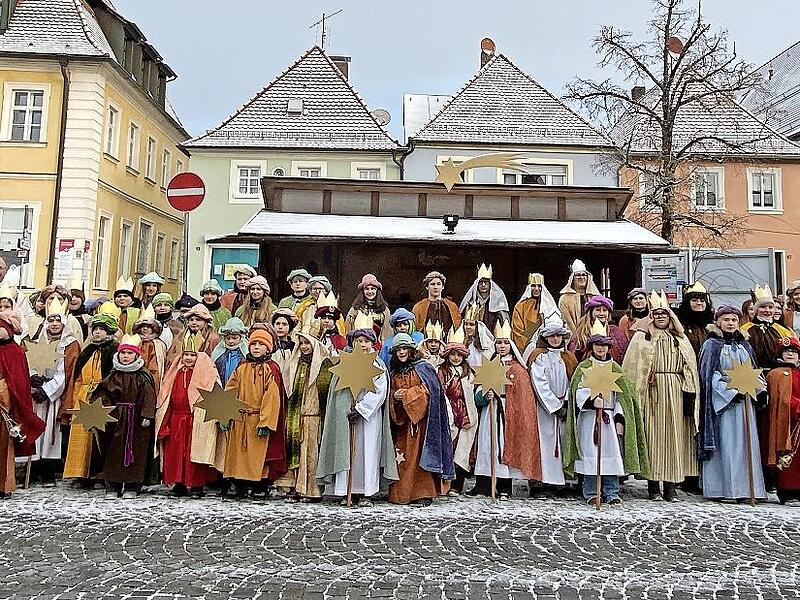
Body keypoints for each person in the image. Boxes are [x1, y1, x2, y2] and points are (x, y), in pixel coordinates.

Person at [622, 291, 700, 502]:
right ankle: (653, 486)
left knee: (674, 438)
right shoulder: (642, 337)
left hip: (675, 391)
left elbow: (690, 367)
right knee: (653, 438)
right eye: (656, 314)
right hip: (652, 393)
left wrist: (689, 390)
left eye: (664, 314)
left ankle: (671, 487)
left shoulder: (679, 338)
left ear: (670, 316)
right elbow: (632, 368)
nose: (660, 317)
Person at [563, 321, 650, 506]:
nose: (600, 348)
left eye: (603, 345)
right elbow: (577, 391)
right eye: (597, 344)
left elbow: (623, 398)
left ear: (609, 347)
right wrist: (591, 401)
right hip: (589, 419)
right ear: (592, 346)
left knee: (610, 455)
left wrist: (619, 417)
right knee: (591, 455)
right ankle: (591, 491)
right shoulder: (584, 367)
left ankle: (611, 491)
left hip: (608, 418)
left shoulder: (615, 369)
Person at [317, 328, 398, 507]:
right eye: (359, 341)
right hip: (347, 415)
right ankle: (346, 490)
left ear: (372, 344)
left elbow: (380, 391)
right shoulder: (345, 363)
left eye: (366, 341)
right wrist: (345, 408)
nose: (363, 345)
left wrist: (361, 409)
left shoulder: (377, 365)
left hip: (369, 418)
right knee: (346, 451)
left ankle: (365, 492)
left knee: (367, 452)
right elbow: (337, 391)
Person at [698, 305, 767, 502]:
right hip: (725, 407)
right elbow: (709, 376)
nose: (730, 323)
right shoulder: (711, 346)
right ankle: (725, 489)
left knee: (746, 446)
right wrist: (729, 393)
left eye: (734, 320)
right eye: (726, 320)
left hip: (746, 404)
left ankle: (748, 489)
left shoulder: (745, 346)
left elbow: (754, 371)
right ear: (718, 322)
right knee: (727, 445)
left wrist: (760, 390)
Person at [471, 321, 541, 500]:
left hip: (508, 414)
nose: (502, 346)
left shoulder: (517, 369)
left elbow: (523, 396)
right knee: (487, 446)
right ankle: (484, 485)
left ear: (511, 345)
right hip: (490, 412)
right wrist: (484, 395)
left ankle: (504, 486)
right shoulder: (489, 364)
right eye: (499, 343)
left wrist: (508, 401)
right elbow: (478, 391)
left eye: (505, 343)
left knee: (503, 446)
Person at [387, 333, 454, 506]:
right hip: (402, 424)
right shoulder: (393, 372)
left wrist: (407, 396)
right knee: (403, 458)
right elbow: (389, 394)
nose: (401, 352)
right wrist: (394, 397)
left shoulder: (423, 368)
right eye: (398, 350)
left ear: (411, 350)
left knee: (420, 458)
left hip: (423, 424)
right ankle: (401, 493)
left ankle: (423, 493)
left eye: (404, 348)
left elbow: (431, 391)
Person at [219, 328, 287, 498]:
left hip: (257, 418)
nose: (256, 347)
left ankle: (260, 485)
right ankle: (239, 484)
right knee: (238, 454)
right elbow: (231, 389)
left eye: (261, 344)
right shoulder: (242, 367)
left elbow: (272, 397)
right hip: (240, 417)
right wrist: (225, 413)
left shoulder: (271, 369)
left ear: (268, 348)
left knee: (257, 455)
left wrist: (266, 422)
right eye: (253, 344)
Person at [91, 334, 156, 499]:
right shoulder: (113, 375)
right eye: (123, 353)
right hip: (116, 418)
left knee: (136, 451)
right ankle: (113, 484)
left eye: (129, 353)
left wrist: (147, 415)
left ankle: (133, 485)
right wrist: (100, 410)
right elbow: (102, 394)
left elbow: (148, 396)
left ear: (136, 355)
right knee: (113, 451)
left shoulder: (143, 376)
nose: (126, 356)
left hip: (136, 421)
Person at [27, 295, 80, 486]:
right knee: (35, 429)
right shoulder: (37, 340)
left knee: (51, 432)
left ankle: (48, 470)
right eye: (51, 320)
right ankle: (33, 467)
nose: (55, 324)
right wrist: (33, 377)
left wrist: (47, 390)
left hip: (55, 395)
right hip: (36, 394)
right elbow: (29, 361)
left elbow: (67, 372)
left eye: (58, 320)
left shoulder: (71, 344)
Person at [155, 346, 222, 498]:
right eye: (186, 354)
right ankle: (178, 484)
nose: (188, 358)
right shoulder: (176, 373)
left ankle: (197, 485)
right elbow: (167, 395)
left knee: (195, 452)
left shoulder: (205, 373)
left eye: (192, 355)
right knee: (176, 454)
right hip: (176, 419)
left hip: (197, 419)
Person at [62, 313, 119, 483]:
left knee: (98, 436)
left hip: (102, 396)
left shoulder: (114, 350)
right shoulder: (88, 350)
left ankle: (99, 472)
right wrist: (75, 397)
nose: (97, 332)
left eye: (102, 329)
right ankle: (81, 472)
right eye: (95, 329)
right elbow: (78, 377)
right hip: (83, 395)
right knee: (81, 435)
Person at [276, 329, 332, 502]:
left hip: (313, 417)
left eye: (307, 343)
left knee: (310, 453)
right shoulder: (295, 364)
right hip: (295, 415)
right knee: (295, 452)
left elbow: (325, 394)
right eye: (301, 343)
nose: (304, 346)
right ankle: (295, 487)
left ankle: (312, 490)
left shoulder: (324, 366)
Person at [527, 319, 578, 492]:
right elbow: (539, 382)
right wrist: (555, 406)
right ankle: (542, 480)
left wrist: (568, 402)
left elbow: (574, 380)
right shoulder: (538, 357)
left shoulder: (569, 357)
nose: (555, 339)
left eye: (558, 335)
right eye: (552, 336)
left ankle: (562, 481)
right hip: (545, 409)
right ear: (546, 337)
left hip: (565, 405)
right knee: (545, 442)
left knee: (563, 440)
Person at [0, 308, 45, 498]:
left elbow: (18, 383)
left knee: (4, 447)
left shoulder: (15, 352)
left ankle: (4, 485)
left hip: (4, 409)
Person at [437, 328, 478, 495]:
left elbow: (473, 393)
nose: (456, 358)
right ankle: (443, 484)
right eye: (453, 354)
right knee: (448, 448)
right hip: (448, 411)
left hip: (465, 413)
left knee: (462, 451)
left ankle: (457, 484)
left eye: (459, 355)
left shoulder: (469, 373)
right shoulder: (442, 372)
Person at [765, 337, 800, 504]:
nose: (791, 354)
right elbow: (781, 400)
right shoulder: (776, 374)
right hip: (786, 422)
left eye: (794, 352)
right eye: (787, 352)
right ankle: (787, 491)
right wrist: (797, 406)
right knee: (787, 458)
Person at [570, 295, 628, 363]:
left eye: (604, 310)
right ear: (591, 312)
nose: (601, 313)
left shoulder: (615, 332)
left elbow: (623, 354)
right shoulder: (581, 332)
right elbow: (574, 356)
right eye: (597, 310)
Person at [511, 273, 560, 351]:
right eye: (533, 286)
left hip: (545, 347)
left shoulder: (549, 305)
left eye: (539, 286)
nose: (536, 289)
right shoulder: (520, 306)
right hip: (525, 347)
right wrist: (527, 349)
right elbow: (517, 331)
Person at [459, 264, 509, 335]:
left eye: (486, 282)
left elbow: (504, 322)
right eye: (481, 282)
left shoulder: (497, 302)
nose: (483, 285)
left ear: (490, 284)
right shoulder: (470, 302)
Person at [345, 274, 392, 343]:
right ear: (363, 291)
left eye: (372, 289)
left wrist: (383, 344)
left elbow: (387, 329)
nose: (370, 292)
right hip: (359, 344)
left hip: (378, 344)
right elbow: (349, 326)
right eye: (367, 289)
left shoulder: (384, 309)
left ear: (377, 290)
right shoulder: (355, 308)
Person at [558, 259, 600, 335]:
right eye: (578, 275)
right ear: (572, 278)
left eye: (584, 275)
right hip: (572, 335)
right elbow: (567, 321)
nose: (581, 277)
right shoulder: (565, 299)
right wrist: (576, 336)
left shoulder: (596, 298)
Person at [412, 271, 461, 337]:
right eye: (432, 284)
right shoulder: (419, 307)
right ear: (427, 287)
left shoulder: (452, 306)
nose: (436, 287)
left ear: (442, 287)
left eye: (438, 284)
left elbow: (457, 326)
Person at [131, 306, 168, 392]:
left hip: (149, 377)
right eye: (142, 326)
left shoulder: (157, 344)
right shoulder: (135, 340)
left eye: (148, 326)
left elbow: (155, 367)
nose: (145, 329)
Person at [677, 282, 714, 357]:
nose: (699, 303)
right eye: (694, 300)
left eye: (702, 301)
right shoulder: (679, 325)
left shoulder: (713, 326)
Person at [211, 317, 249, 386]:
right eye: (228, 338)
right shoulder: (219, 354)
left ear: (241, 338)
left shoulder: (245, 354)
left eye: (234, 338)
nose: (231, 341)